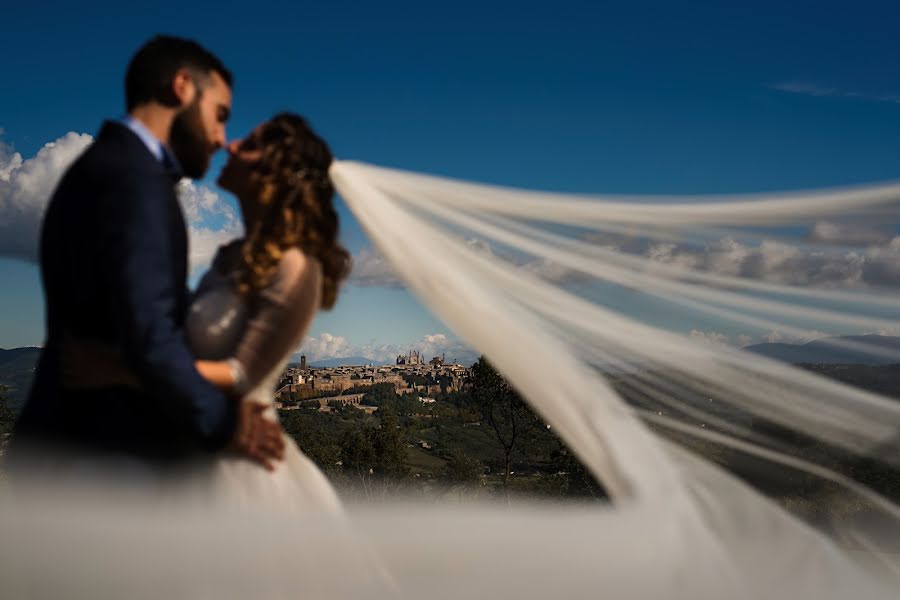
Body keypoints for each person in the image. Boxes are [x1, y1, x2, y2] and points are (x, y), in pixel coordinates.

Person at [9, 35, 284, 474]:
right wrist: (227, 423)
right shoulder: (136, 181)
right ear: (182, 87)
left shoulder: (107, 166)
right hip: (101, 458)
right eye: (220, 115)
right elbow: (153, 341)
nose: (221, 139)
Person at [183, 112, 351, 510]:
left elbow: (240, 375)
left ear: (278, 173)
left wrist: (136, 366)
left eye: (251, 144)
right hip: (195, 444)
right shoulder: (229, 256)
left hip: (241, 469)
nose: (231, 145)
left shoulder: (296, 266)